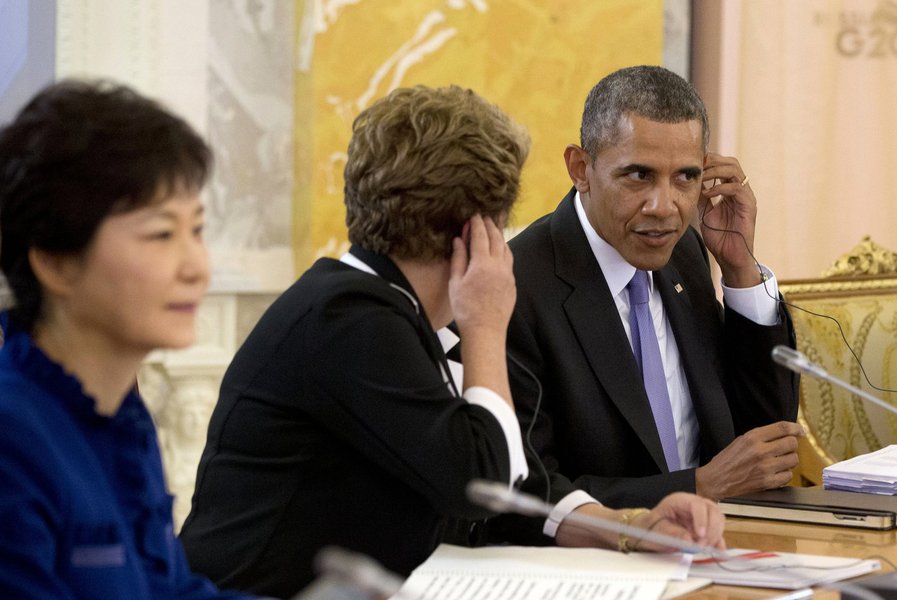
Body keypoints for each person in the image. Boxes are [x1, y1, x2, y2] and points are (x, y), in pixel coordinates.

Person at [179, 85, 725, 599]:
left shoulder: (382, 309)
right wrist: (486, 323)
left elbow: (518, 483)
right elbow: (478, 481)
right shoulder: (349, 317)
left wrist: (630, 527)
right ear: (475, 227)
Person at [492, 65, 802, 543]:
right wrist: (698, 486)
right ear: (581, 169)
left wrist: (740, 269)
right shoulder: (517, 286)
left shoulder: (685, 254)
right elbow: (526, 494)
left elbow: (765, 447)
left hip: (716, 551)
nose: (665, 206)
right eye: (639, 175)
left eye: (686, 178)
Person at [0, 80, 255, 599]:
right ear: (53, 260)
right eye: (162, 234)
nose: (196, 268)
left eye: (198, 230)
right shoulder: (12, 438)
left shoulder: (124, 415)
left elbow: (172, 591)